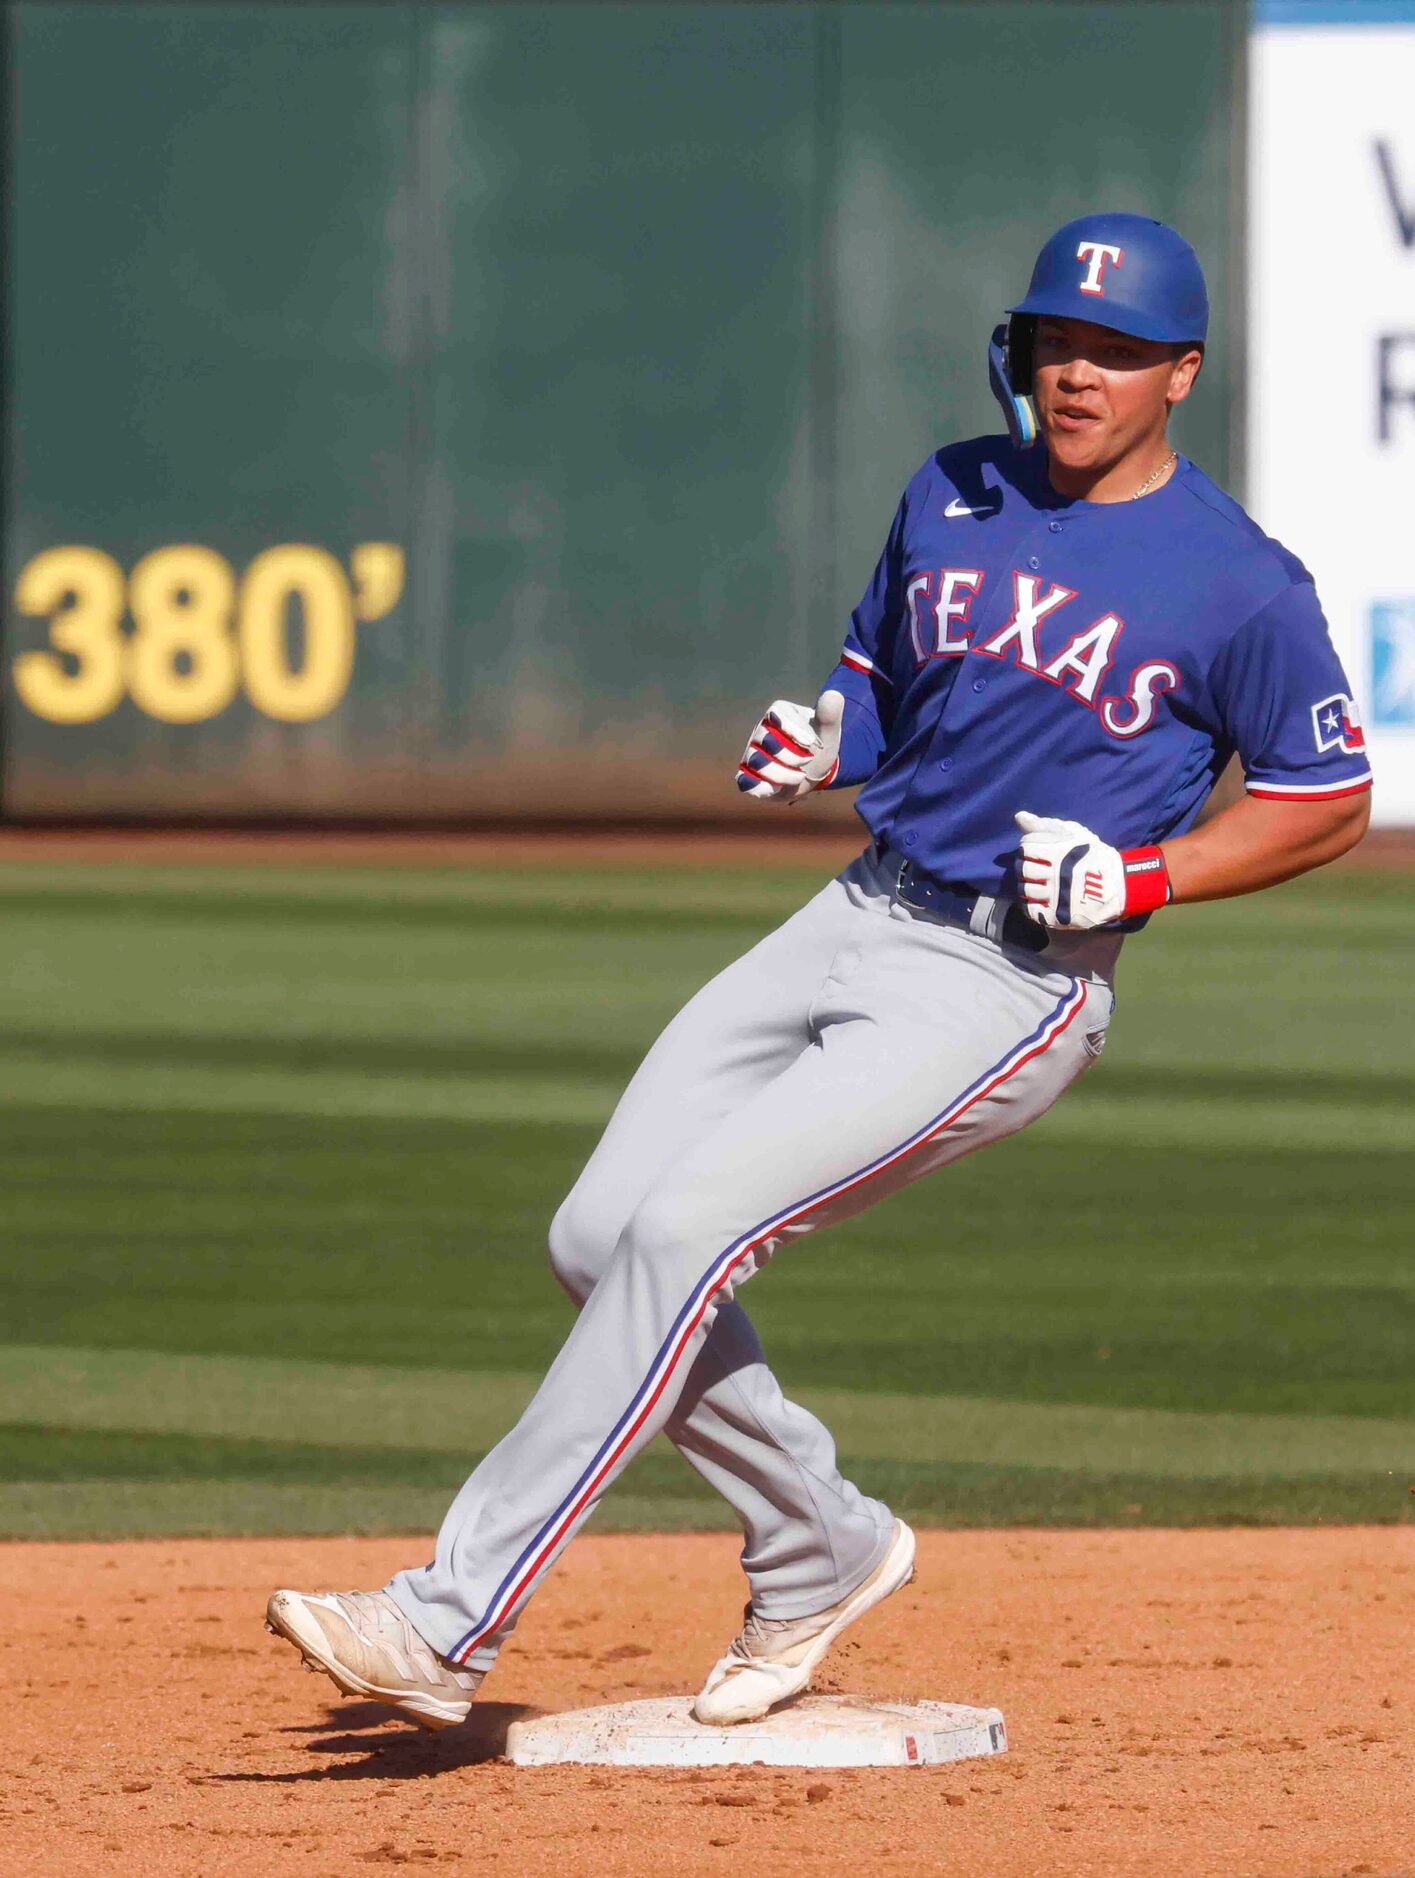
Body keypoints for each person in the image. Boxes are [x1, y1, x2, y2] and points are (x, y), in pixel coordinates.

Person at [266, 213, 1372, 1732]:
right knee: (599, 1234)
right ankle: (822, 1541)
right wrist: (828, 738)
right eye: (1058, 339)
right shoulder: (954, 487)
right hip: (855, 905)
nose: (1077, 372)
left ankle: (448, 1617)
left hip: (1006, 978)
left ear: (1181, 373)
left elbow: (1328, 800)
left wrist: (1149, 874)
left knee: (689, 1227)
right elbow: (879, 678)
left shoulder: (1242, 581)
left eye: (1115, 352)